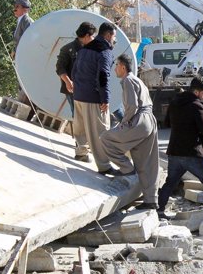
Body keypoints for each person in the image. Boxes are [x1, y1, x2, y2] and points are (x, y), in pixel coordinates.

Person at [157, 76, 203, 219]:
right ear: (197, 92)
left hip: (174, 151)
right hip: (191, 152)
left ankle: (160, 210)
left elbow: (166, 123)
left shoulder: (175, 102)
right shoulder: (197, 105)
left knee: (170, 182)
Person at [100, 54, 160, 209]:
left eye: (116, 66)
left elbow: (132, 106)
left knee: (106, 138)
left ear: (123, 67)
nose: (115, 69)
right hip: (149, 121)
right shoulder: (138, 79)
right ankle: (151, 200)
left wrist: (124, 123)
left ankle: (127, 169)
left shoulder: (127, 80)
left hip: (139, 120)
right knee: (148, 162)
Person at [72, 21, 117, 175]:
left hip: (78, 95)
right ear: (109, 35)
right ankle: (104, 165)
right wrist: (105, 98)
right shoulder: (104, 50)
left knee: (80, 126)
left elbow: (75, 71)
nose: (114, 40)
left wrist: (77, 89)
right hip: (93, 97)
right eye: (113, 37)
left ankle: (81, 152)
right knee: (101, 131)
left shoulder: (84, 49)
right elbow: (103, 75)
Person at [55, 22, 96, 162]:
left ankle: (85, 147)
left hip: (88, 91)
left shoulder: (92, 49)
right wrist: (68, 81)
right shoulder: (68, 49)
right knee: (78, 118)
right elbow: (60, 68)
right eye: (92, 35)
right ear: (85, 35)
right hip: (73, 90)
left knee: (88, 118)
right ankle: (81, 150)